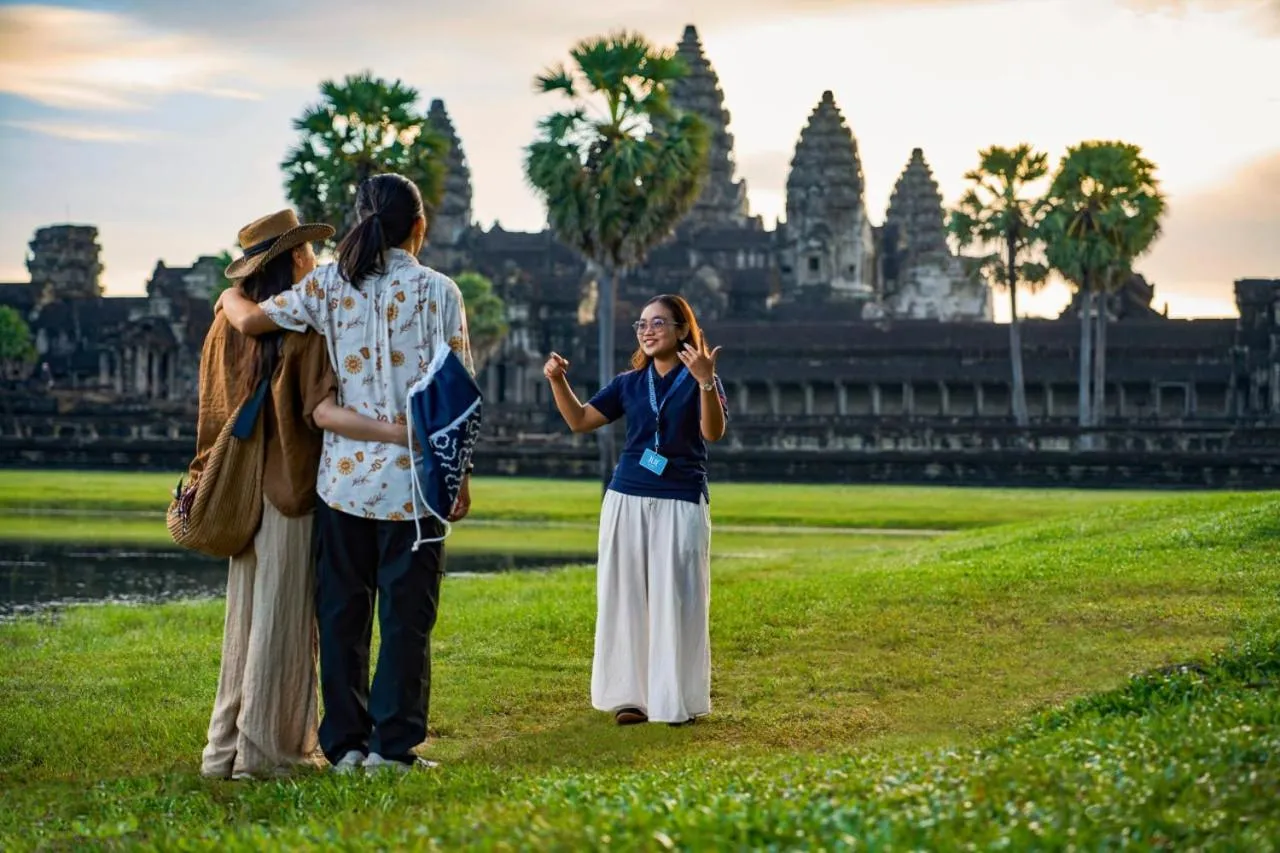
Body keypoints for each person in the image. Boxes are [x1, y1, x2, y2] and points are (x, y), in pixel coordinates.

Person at [219, 174, 474, 774]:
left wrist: (227, 298)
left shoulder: (328, 285)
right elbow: (457, 395)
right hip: (417, 487)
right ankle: (392, 747)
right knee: (407, 622)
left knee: (343, 617)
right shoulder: (440, 292)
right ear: (419, 227)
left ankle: (346, 746)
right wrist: (460, 477)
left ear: (360, 220)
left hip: (344, 484)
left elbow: (252, 321)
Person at [198, 209, 409, 781]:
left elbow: (213, 406)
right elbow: (319, 410)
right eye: (309, 253)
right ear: (295, 258)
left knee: (243, 621)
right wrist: (396, 430)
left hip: (237, 486)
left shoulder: (226, 321)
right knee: (283, 621)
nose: (316, 261)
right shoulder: (304, 324)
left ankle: (223, 752)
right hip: (290, 484)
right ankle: (267, 753)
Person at [542, 294, 727, 726]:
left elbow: (712, 433)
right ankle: (631, 698)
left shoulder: (702, 377)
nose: (647, 330)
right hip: (626, 495)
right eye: (642, 324)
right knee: (624, 596)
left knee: (677, 597)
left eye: (658, 322)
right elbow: (581, 420)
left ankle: (674, 699)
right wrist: (557, 381)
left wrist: (704, 381)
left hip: (680, 498)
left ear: (683, 330)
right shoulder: (629, 382)